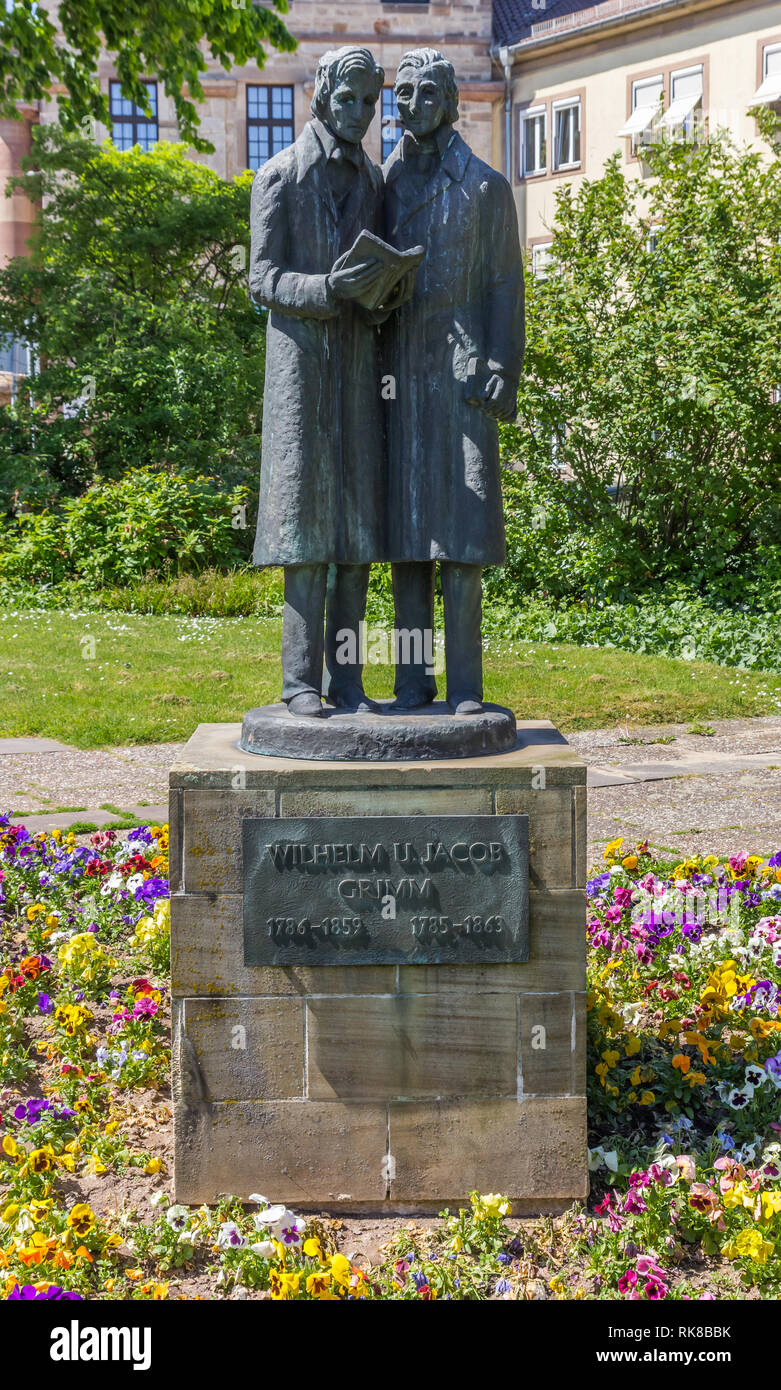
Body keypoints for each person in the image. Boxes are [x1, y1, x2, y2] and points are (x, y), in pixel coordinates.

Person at [382, 48, 525, 714]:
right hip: (399, 373)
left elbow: (503, 282)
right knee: (407, 534)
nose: (412, 105)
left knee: (463, 532)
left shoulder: (486, 186)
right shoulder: (382, 184)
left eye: (427, 92)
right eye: (403, 93)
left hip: (464, 367)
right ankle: (411, 682)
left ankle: (466, 687)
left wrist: (500, 364)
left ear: (452, 101)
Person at [249, 46, 388, 717]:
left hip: (358, 371)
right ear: (320, 97)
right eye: (347, 100)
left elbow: (378, 271)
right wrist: (327, 288)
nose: (359, 114)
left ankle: (350, 680)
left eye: (368, 102)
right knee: (305, 534)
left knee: (355, 535)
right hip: (302, 374)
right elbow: (262, 278)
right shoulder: (279, 176)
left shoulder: (373, 181)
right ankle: (299, 682)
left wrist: (385, 291)